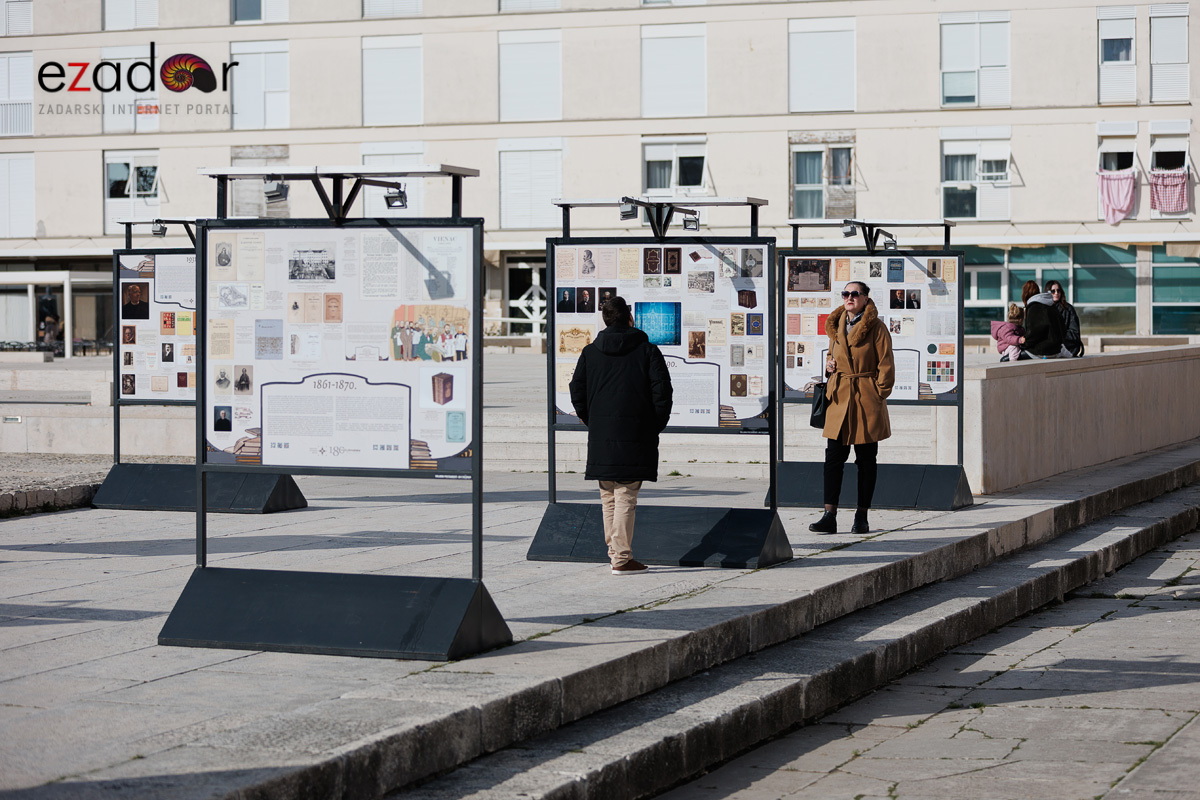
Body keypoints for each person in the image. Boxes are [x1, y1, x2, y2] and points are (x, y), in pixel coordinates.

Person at [569, 295, 673, 575]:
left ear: (605, 319)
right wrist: (655, 424)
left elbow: (576, 389)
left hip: (603, 433)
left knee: (609, 497)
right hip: (636, 431)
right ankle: (621, 558)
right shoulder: (647, 350)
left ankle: (615, 553)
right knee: (626, 495)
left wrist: (593, 420)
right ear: (629, 318)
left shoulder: (591, 352)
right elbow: (662, 391)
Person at [810, 281, 895, 535]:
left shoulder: (876, 328)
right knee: (833, 459)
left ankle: (862, 516)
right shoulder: (836, 325)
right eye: (845, 294)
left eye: (854, 294)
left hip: (866, 398)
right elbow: (833, 353)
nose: (849, 297)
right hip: (839, 398)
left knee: (866, 461)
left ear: (866, 298)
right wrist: (829, 365)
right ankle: (829, 515)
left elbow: (886, 364)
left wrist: (878, 393)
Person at [1021, 280, 1070, 358]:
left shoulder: (1034, 307)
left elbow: (1035, 332)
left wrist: (1023, 343)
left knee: (1006, 359)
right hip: (1056, 349)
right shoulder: (1050, 305)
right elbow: (1062, 328)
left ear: (1025, 294)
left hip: (1041, 350)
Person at [1045, 279, 1082, 357]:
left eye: (1058, 291)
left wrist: (1058, 335)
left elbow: (1075, 333)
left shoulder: (1068, 309)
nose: (1056, 293)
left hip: (1068, 348)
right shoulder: (1043, 309)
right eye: (1053, 291)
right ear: (1047, 293)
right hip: (1049, 349)